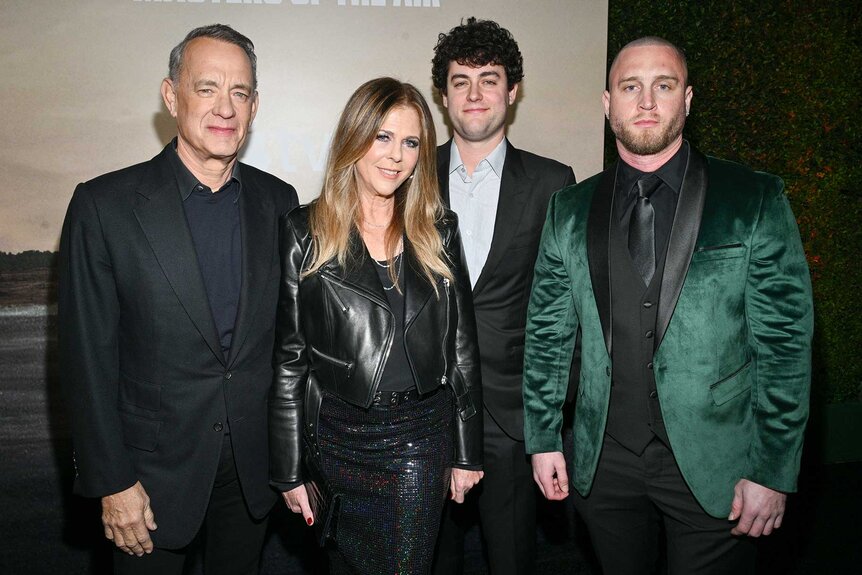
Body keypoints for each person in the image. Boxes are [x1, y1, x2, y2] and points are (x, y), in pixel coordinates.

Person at [523, 36, 813, 573]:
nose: (647, 101)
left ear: (688, 99)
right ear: (608, 102)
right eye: (630, 86)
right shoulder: (569, 207)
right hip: (603, 464)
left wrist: (773, 469)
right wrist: (542, 437)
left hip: (718, 464)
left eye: (665, 85)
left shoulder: (753, 198)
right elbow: (547, 334)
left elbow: (785, 347)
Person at [58, 24, 298, 574]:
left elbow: (289, 343)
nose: (225, 108)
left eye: (240, 93)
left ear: (255, 105)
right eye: (206, 88)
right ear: (172, 96)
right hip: (147, 479)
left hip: (251, 474)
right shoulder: (104, 206)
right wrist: (111, 479)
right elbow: (86, 359)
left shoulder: (279, 201)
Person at [269, 77, 484, 575]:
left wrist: (467, 452)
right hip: (334, 444)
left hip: (415, 443)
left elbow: (462, 349)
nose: (396, 156)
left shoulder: (439, 230)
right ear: (355, 137)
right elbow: (289, 360)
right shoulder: (305, 231)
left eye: (411, 142)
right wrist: (289, 469)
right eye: (382, 137)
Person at [429, 17, 576, 575]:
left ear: (511, 93)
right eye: (460, 80)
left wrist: (549, 422)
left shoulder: (552, 182)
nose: (474, 93)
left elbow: (564, 311)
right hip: (423, 408)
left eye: (488, 79)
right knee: (426, 557)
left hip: (510, 414)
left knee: (511, 557)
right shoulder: (409, 175)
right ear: (444, 96)